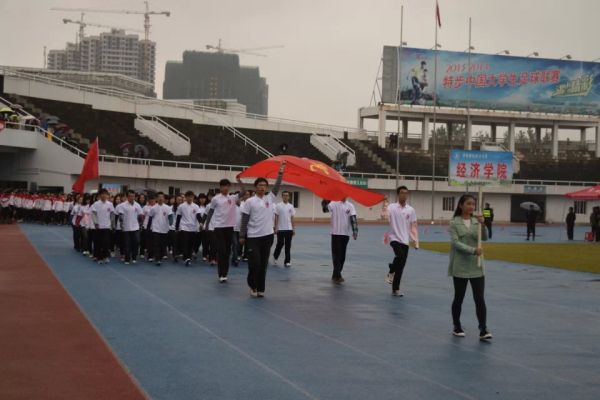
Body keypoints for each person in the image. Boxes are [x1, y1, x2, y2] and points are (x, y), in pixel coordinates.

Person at [448, 194, 492, 341]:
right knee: (459, 298)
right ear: (461, 205)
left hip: (476, 266)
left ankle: (483, 329)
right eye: (468, 204)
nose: (471, 206)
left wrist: (483, 224)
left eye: (473, 204)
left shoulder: (477, 221)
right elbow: (456, 243)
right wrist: (473, 250)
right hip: (460, 265)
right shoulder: (454, 223)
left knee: (479, 298)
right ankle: (457, 326)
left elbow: (485, 238)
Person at [239, 161, 285, 297]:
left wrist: (280, 173)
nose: (262, 187)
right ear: (255, 187)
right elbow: (245, 219)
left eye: (264, 185)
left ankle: (260, 288)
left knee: (264, 264)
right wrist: (242, 235)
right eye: (260, 185)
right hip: (253, 237)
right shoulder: (249, 201)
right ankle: (252, 285)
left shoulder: (269, 198)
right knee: (255, 263)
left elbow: (277, 186)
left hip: (268, 236)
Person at [205, 179, 245, 282]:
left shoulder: (233, 198)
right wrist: (207, 225)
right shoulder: (215, 199)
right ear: (220, 187)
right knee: (222, 251)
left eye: (228, 186)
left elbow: (244, 192)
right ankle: (221, 274)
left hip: (230, 228)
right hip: (219, 228)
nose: (226, 188)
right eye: (224, 186)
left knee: (227, 251)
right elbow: (210, 212)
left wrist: (240, 182)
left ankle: (225, 273)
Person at [385, 186, 419, 297]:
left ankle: (395, 289)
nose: (404, 195)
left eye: (406, 193)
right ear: (398, 194)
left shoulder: (411, 210)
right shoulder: (391, 207)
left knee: (401, 266)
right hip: (393, 238)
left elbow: (413, 226)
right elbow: (384, 215)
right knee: (400, 256)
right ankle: (391, 270)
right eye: (402, 193)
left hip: (405, 240)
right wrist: (385, 203)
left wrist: (415, 240)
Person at [322, 197, 358, 284]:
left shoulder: (350, 205)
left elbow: (353, 218)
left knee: (342, 257)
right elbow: (325, 210)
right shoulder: (333, 203)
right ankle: (337, 276)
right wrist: (325, 200)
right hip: (335, 234)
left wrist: (355, 231)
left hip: (346, 234)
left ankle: (335, 275)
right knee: (336, 256)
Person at [116, 190, 143, 265]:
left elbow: (140, 215)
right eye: (130, 196)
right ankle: (127, 258)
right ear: (127, 197)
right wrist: (121, 224)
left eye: (133, 196)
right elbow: (120, 216)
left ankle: (134, 257)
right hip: (126, 228)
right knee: (127, 244)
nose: (132, 197)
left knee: (136, 242)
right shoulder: (122, 205)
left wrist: (141, 224)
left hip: (135, 227)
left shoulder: (137, 205)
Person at [175, 191, 202, 266]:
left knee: (191, 244)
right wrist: (176, 228)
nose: (190, 198)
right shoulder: (181, 206)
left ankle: (188, 257)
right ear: (186, 197)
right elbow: (178, 218)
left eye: (191, 197)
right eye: (189, 197)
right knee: (185, 243)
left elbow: (198, 216)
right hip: (184, 227)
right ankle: (185, 257)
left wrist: (201, 223)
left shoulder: (196, 206)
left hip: (193, 227)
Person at [148, 192, 173, 266]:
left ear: (164, 198)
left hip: (164, 229)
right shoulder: (153, 208)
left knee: (163, 245)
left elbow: (170, 216)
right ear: (156, 198)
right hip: (156, 229)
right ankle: (157, 258)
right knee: (156, 244)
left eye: (162, 197)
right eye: (159, 197)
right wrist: (148, 228)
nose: (160, 198)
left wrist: (171, 221)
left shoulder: (167, 208)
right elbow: (150, 218)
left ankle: (160, 257)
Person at [90, 189, 115, 264]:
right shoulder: (96, 204)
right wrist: (96, 223)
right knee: (99, 243)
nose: (104, 195)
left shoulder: (110, 204)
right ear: (100, 195)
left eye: (105, 194)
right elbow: (93, 214)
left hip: (107, 226)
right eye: (102, 194)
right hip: (99, 226)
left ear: (107, 195)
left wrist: (112, 224)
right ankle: (99, 257)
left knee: (106, 242)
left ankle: (105, 256)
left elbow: (112, 214)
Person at [273, 191, 296, 267]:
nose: (286, 197)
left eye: (287, 195)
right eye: (284, 195)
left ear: (289, 197)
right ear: (282, 196)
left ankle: (287, 261)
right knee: (280, 244)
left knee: (288, 246)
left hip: (289, 229)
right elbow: (276, 217)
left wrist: (293, 229)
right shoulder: (278, 205)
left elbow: (292, 218)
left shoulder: (291, 206)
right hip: (280, 229)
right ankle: (275, 256)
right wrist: (276, 228)